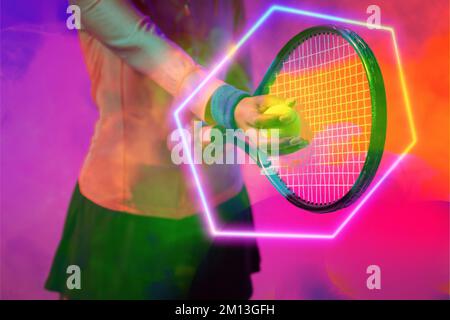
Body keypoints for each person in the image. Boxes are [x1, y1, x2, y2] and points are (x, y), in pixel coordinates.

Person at [46, 0, 303, 299]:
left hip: (221, 208)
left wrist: (263, 125)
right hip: (124, 220)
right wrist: (228, 105)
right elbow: (146, 46)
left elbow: (238, 81)